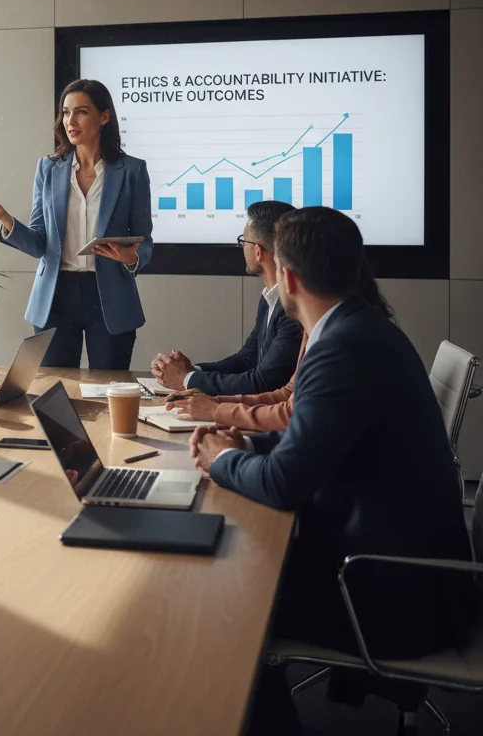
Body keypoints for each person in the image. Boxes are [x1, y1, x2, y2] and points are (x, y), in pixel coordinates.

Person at [190, 207, 472, 734]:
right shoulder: (358, 328)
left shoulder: (342, 346)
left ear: (288, 277)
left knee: (229, 603)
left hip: (392, 594)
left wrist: (220, 458)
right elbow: (311, 439)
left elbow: (283, 483)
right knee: (234, 568)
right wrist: (245, 441)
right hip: (399, 568)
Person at [0, 78, 152, 370]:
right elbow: (40, 244)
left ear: (104, 116)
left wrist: (132, 258)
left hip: (110, 297)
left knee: (108, 392)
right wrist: (4, 218)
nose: (70, 121)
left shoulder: (133, 171)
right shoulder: (48, 168)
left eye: (81, 112)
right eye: (65, 112)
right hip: (56, 296)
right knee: (55, 391)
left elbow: (146, 241)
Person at [168, 260, 394, 431]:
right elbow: (287, 394)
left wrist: (218, 415)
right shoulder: (328, 325)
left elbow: (291, 418)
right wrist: (215, 402)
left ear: (289, 278)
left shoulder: (340, 342)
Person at [151, 200, 302, 395]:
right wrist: (191, 372)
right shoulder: (270, 298)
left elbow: (263, 382)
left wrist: (185, 379)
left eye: (243, 242)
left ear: (257, 251)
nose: (241, 248)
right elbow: (247, 359)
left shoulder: (293, 307)